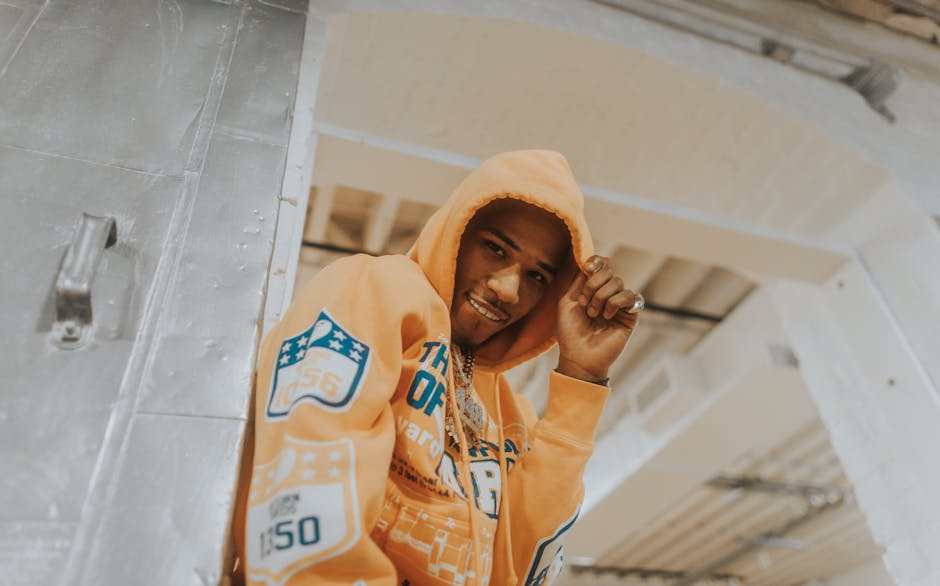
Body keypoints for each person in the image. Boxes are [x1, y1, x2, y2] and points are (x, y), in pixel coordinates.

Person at [234, 149, 642, 586]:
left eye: (537, 276)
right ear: (457, 232)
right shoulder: (376, 290)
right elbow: (307, 471)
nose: (508, 289)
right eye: (495, 248)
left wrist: (581, 375)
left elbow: (520, 572)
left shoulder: (510, 417)